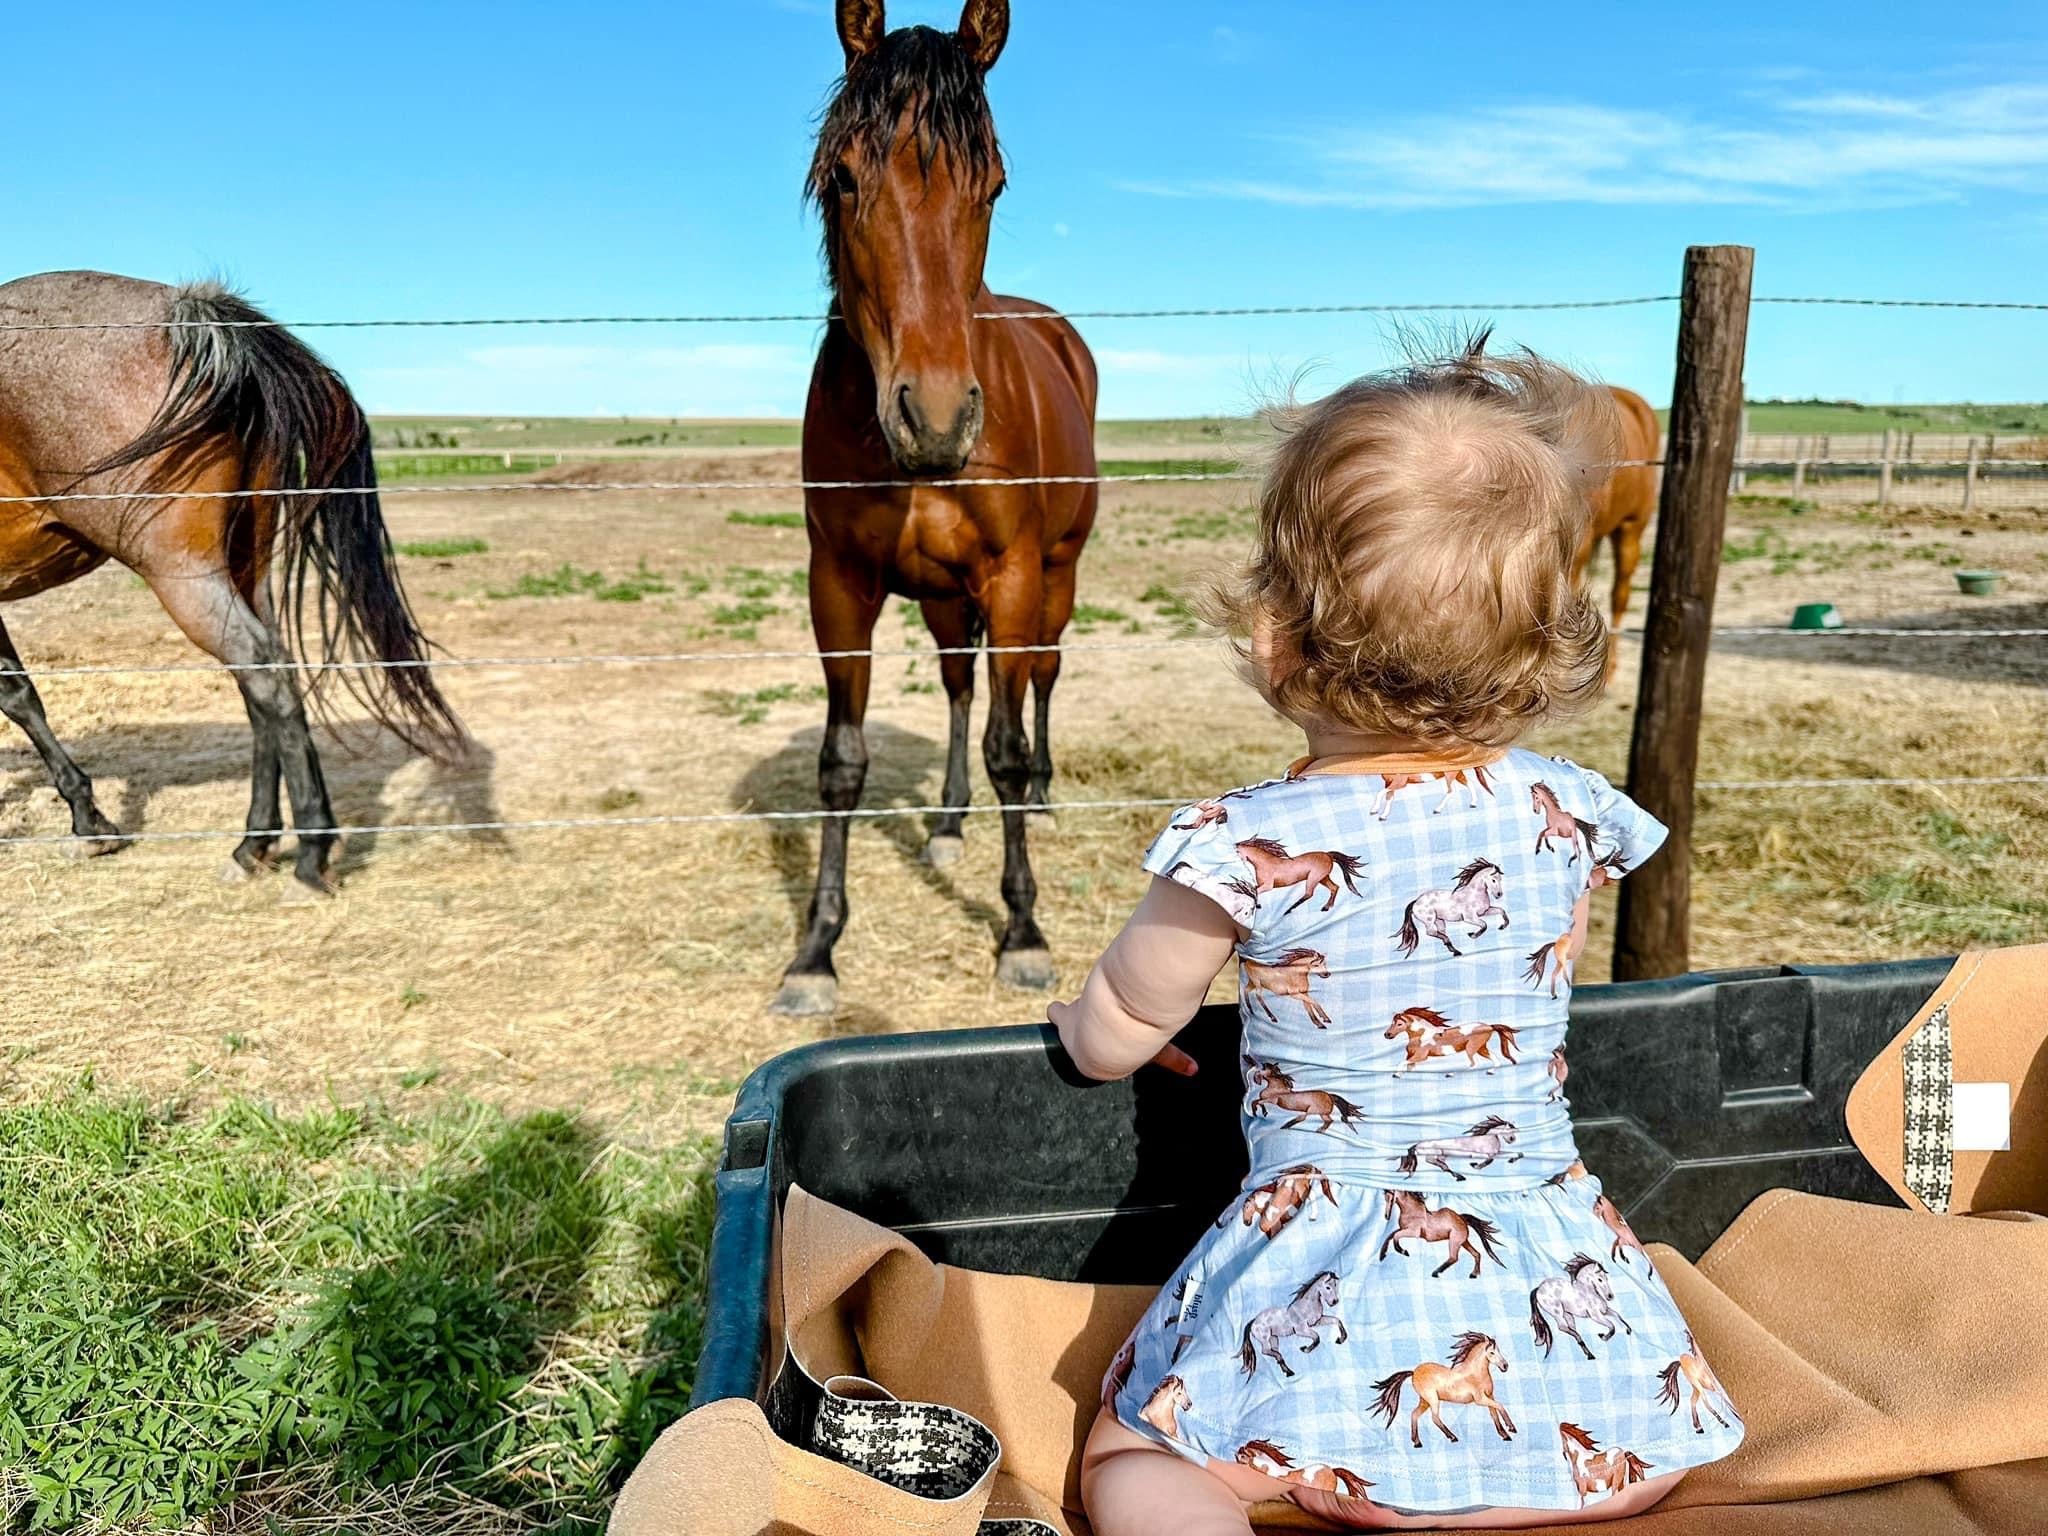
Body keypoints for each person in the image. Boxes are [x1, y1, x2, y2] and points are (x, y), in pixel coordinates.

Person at [1051, 341, 1743, 1533]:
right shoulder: (1563, 812)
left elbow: (1118, 1032)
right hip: (1561, 1296)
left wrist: (1089, 1022)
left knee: (1133, 1457)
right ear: (1539, 640)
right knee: (1657, 1458)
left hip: (1329, 1265)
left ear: (1275, 637)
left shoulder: (1241, 839)